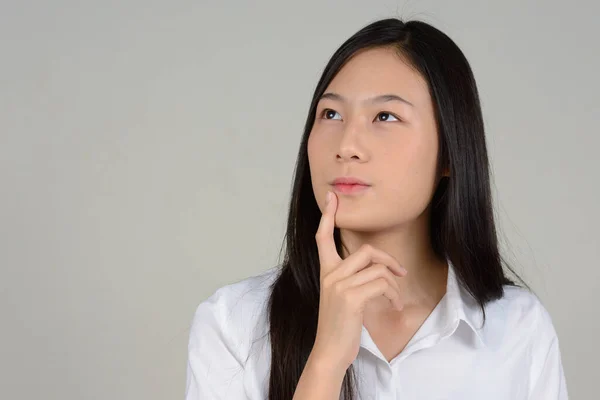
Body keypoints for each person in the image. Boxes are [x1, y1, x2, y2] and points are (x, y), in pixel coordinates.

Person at [185, 17, 568, 399]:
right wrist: (326, 362)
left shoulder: (518, 328)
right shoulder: (233, 324)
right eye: (331, 114)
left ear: (451, 152)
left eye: (385, 117)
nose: (347, 144)